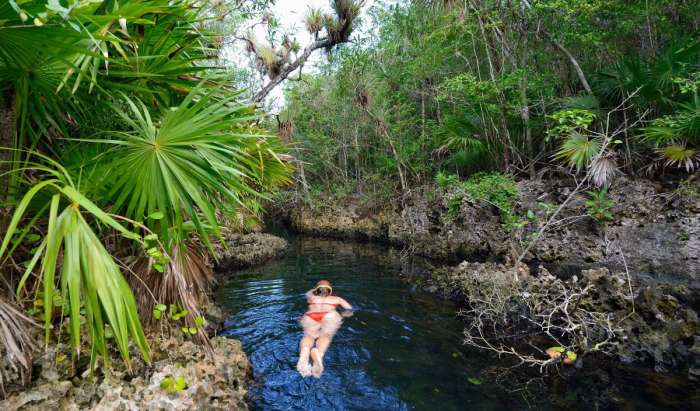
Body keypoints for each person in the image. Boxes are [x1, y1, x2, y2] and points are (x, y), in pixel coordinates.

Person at [296, 280, 353, 378]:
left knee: (308, 336)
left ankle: (304, 351)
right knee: (326, 336)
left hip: (311, 316)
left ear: (317, 289)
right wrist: (342, 315)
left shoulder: (312, 297)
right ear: (330, 290)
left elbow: (307, 293)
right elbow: (350, 310)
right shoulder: (337, 299)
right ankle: (319, 353)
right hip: (330, 315)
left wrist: (315, 289)